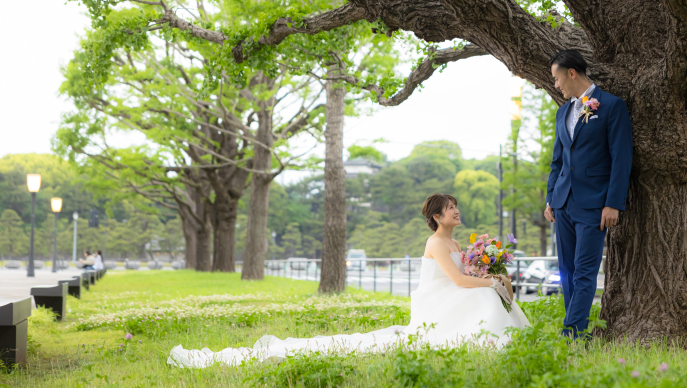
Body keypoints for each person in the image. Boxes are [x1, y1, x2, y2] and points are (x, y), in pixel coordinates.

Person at [168, 194, 529, 368]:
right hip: (436, 302)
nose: (456, 210)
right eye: (450, 207)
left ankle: (504, 340)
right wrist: (490, 285)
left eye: (455, 205)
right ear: (437, 216)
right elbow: (459, 282)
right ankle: (492, 341)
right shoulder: (436, 243)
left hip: (451, 295)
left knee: (485, 294)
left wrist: (491, 275)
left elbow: (467, 277)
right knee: (482, 297)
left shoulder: (455, 242)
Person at [543, 50, 632, 339]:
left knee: (584, 271)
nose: (555, 85)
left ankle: (572, 335)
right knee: (567, 271)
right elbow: (557, 161)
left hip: (595, 204)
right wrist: (550, 197)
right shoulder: (562, 111)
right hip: (563, 203)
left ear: (572, 73)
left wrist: (613, 203)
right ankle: (576, 333)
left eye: (557, 78)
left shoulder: (611, 106)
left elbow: (621, 159)